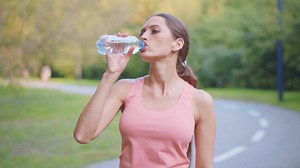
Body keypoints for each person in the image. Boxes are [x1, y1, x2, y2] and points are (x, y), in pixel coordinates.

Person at [74, 13, 216, 168]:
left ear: (177, 44)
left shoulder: (200, 100)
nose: (144, 36)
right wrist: (110, 74)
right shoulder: (124, 89)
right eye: (142, 32)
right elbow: (83, 135)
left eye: (154, 31)